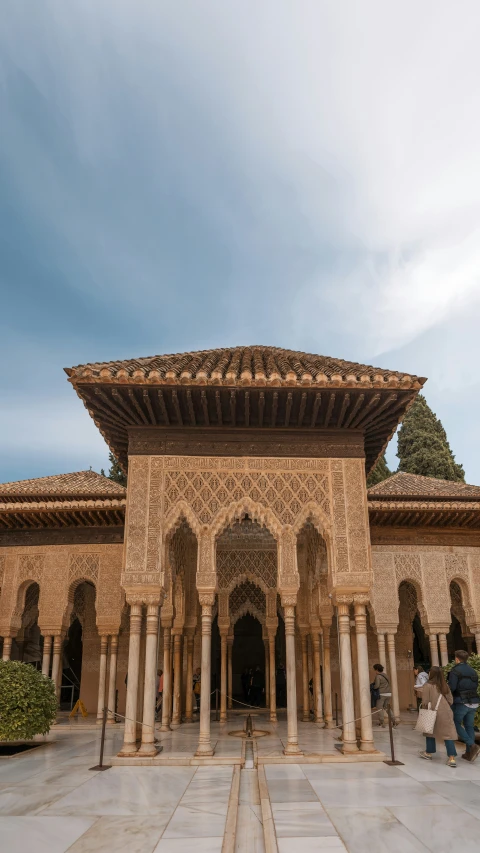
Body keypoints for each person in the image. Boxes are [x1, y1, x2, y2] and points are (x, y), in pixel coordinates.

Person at [418, 666, 458, 767]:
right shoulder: (445, 685)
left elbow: (425, 701)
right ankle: (452, 758)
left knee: (429, 730)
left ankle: (429, 752)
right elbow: (450, 700)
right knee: (448, 734)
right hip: (446, 711)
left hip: (432, 711)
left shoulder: (428, 685)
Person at [447, 649, 480, 762]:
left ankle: (472, 745)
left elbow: (452, 687)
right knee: (469, 726)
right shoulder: (473, 671)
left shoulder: (455, 671)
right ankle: (468, 753)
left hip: (461, 701)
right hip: (474, 701)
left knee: (455, 723)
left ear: (457, 659)